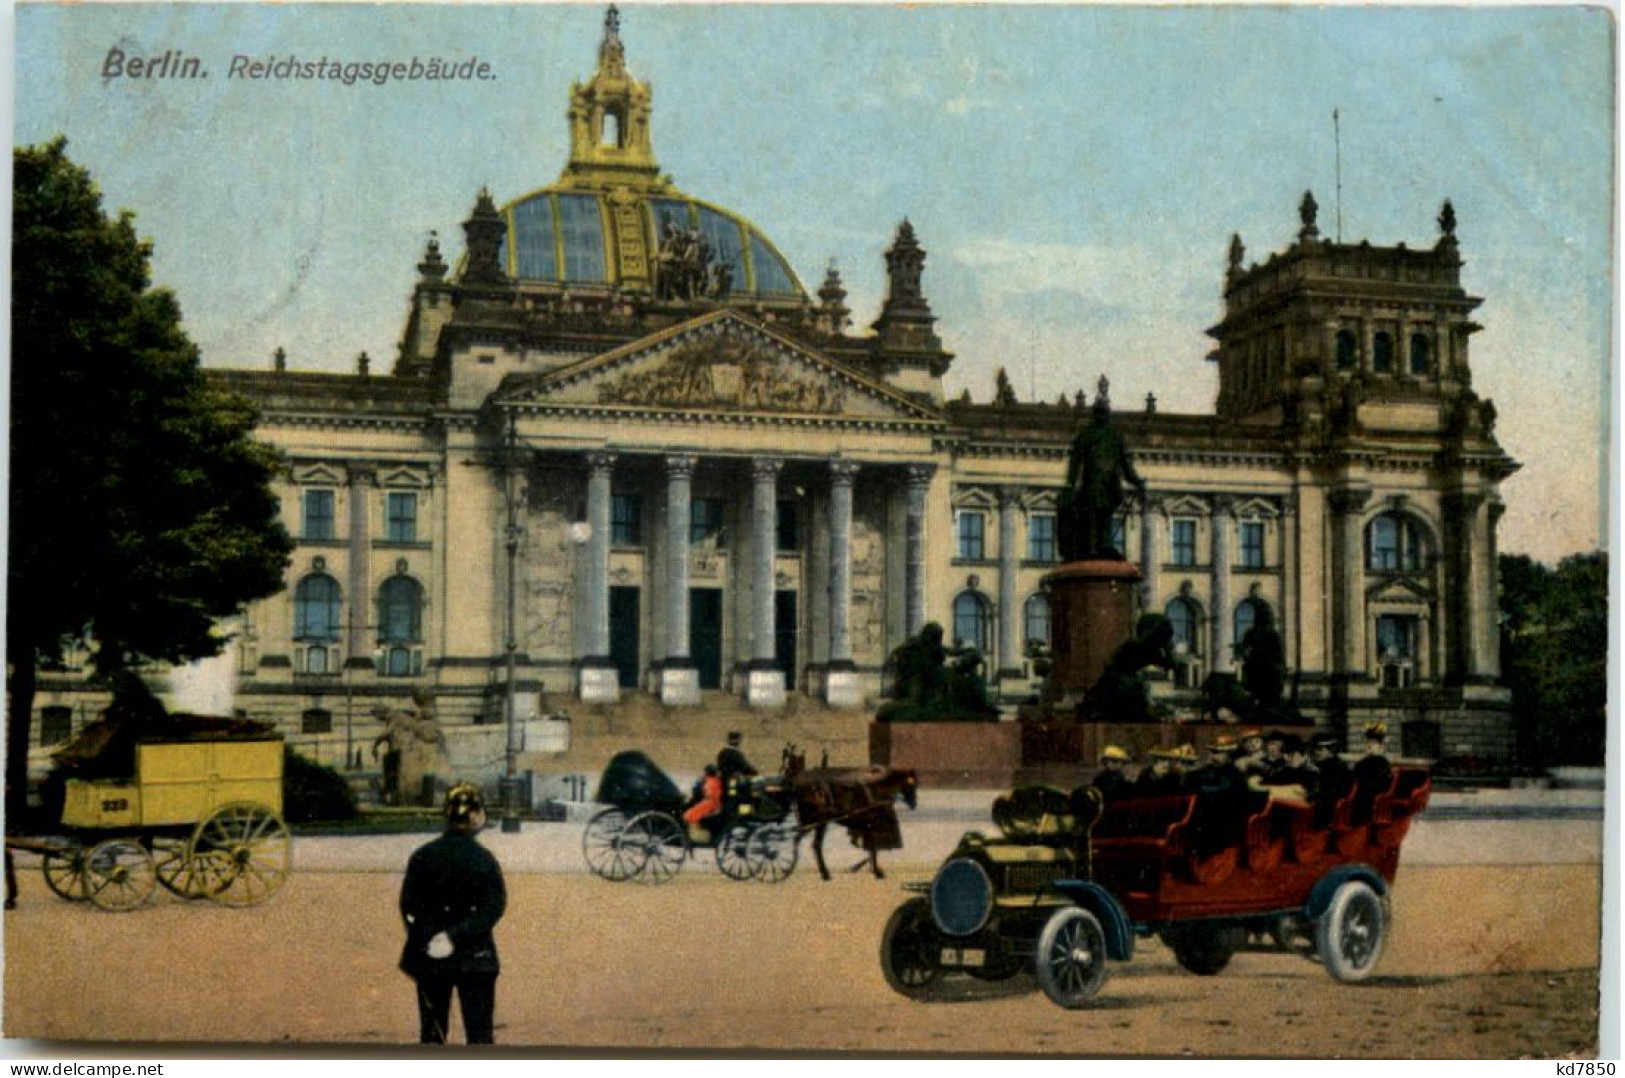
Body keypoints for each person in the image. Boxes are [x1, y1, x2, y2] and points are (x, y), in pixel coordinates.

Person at [399, 782, 507, 1045]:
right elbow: (493, 908)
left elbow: (409, 906)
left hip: (432, 957)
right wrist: (456, 935)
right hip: (476, 956)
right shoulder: (484, 859)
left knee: (433, 1034)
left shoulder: (423, 856)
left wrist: (433, 937)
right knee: (480, 1035)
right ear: (474, 816)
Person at [1254, 733, 1317, 801]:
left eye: (1291, 755)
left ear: (1304, 756)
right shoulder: (1280, 773)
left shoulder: (1312, 774)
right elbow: (1262, 789)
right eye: (1284, 754)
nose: (1286, 758)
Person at [1309, 732, 1353, 827]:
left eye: (1320, 749)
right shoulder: (1324, 766)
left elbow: (1333, 793)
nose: (1316, 752)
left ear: (1331, 751)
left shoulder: (1335, 768)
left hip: (1331, 812)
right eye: (1315, 749)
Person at [1352, 722, 1394, 821]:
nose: (1369, 745)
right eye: (1368, 742)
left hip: (1371, 797)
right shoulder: (1362, 763)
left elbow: (1380, 783)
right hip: (1362, 793)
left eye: (1373, 743)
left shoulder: (1382, 763)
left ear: (1381, 746)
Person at [683, 764, 724, 842]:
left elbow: (699, 791)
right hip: (713, 803)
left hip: (710, 803)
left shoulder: (708, 781)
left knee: (689, 815)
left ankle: (694, 835)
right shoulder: (716, 780)